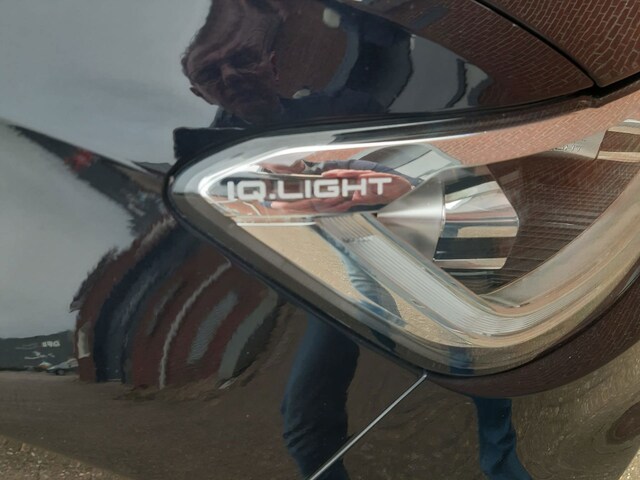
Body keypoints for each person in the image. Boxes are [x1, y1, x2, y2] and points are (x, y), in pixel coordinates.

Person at [179, 2, 532, 479]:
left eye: (242, 60)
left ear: (272, 65)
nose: (230, 76)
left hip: (402, 255)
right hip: (321, 289)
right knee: (304, 416)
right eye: (211, 72)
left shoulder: (342, 108)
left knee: (476, 362)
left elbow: (422, 169)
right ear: (199, 92)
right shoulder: (202, 161)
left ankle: (503, 467)